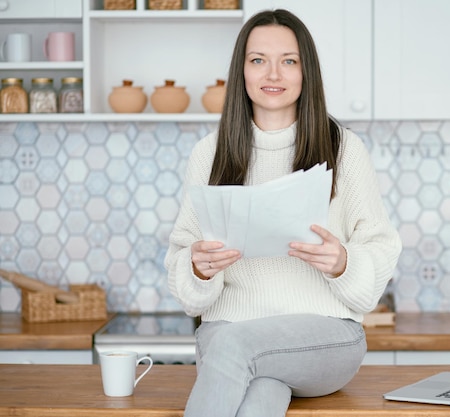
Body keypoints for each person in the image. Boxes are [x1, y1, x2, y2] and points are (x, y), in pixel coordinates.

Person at [164, 8, 402, 417]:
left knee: (234, 346)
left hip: (323, 336)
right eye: (258, 61)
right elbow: (184, 271)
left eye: (288, 61)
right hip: (229, 332)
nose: (272, 74)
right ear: (241, 72)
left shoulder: (343, 148)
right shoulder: (209, 153)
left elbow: (381, 247)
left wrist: (344, 262)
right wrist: (199, 267)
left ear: (305, 71)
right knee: (261, 395)